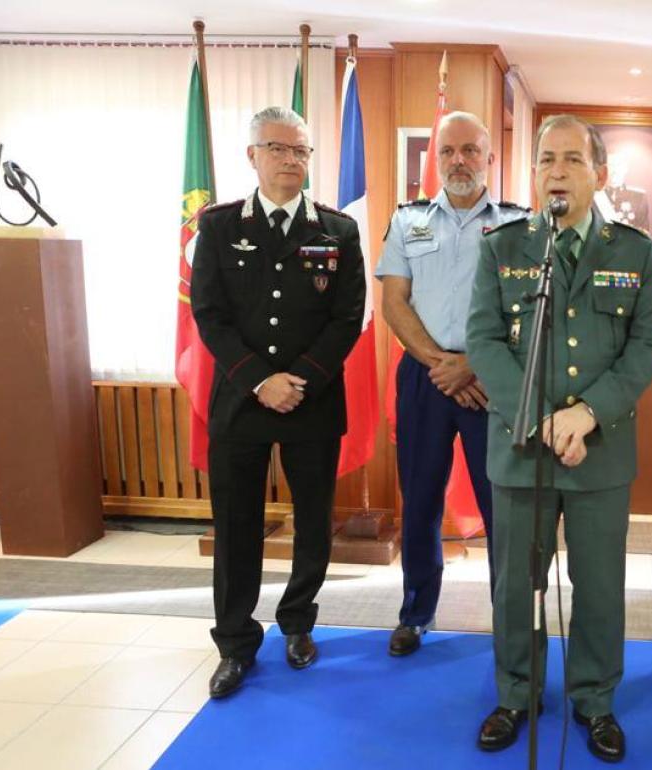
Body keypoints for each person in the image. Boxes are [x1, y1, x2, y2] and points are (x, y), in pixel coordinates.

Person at [466, 114, 652, 763]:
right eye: (546, 159)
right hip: (522, 446)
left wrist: (587, 414)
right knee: (516, 584)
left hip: (598, 450)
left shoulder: (634, 250)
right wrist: (541, 419)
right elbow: (485, 340)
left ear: (599, 173)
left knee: (600, 584)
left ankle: (594, 700)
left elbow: (644, 345)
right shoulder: (504, 246)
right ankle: (515, 692)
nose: (557, 171)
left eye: (572, 160)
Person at [190, 106, 366, 698]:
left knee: (313, 521)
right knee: (235, 525)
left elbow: (347, 319)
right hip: (242, 400)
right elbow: (208, 314)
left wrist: (300, 380)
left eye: (301, 151)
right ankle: (236, 643)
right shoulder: (217, 227)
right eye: (278, 149)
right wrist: (259, 379)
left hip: (312, 402)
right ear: (253, 157)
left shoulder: (338, 230)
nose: (291, 161)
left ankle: (297, 624)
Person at [376, 111, 529, 657]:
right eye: (448, 151)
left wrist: (477, 365)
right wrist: (443, 363)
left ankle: (510, 619)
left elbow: (530, 309)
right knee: (419, 499)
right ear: (434, 159)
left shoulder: (520, 224)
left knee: (502, 506)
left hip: (496, 378)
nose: (459, 160)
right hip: (425, 375)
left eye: (470, 150)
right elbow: (393, 301)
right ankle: (416, 613)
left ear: (489, 158)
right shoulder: (408, 222)